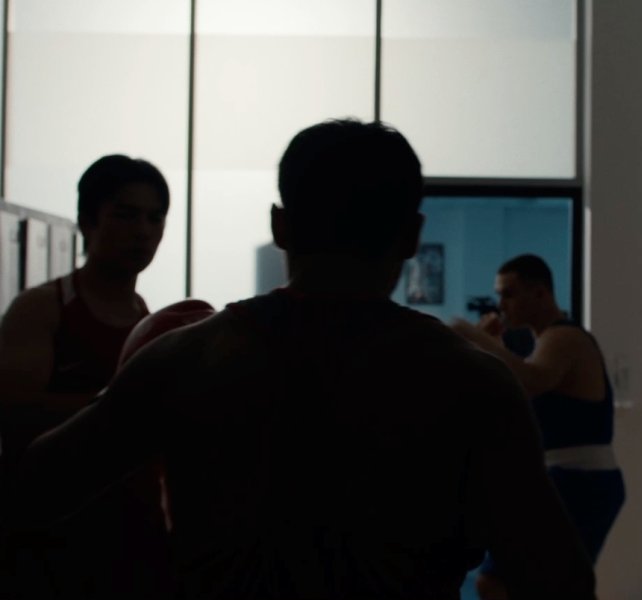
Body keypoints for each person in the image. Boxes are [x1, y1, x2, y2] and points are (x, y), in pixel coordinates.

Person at [5, 120, 597, 599]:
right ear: (412, 237)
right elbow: (558, 579)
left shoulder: (187, 358)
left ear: (280, 226)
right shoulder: (474, 383)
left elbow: (35, 487)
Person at [0, 154, 174, 599]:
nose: (143, 231)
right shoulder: (42, 308)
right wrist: (129, 408)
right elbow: (15, 417)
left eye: (155, 218)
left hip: (134, 538)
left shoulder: (148, 321)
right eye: (126, 215)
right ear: (87, 221)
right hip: (52, 541)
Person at [451, 254, 625, 600]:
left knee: (499, 581)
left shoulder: (564, 337)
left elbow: (532, 380)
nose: (501, 305)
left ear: (540, 294)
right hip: (571, 480)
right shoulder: (543, 342)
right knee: (545, 583)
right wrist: (492, 348)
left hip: (580, 481)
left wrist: (468, 334)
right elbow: (516, 392)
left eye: (509, 294)